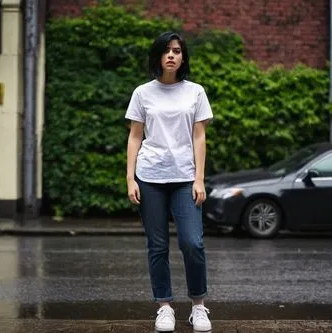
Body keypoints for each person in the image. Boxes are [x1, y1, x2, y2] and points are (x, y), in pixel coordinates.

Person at [125, 31, 213, 332]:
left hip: (185, 178)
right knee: (158, 246)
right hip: (150, 177)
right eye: (166, 51)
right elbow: (135, 136)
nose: (172, 55)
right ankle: (164, 306)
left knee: (193, 242)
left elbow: (199, 136)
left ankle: (198, 305)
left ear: (183, 56)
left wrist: (199, 179)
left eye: (177, 50)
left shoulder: (195, 92)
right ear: (158, 56)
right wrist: (130, 178)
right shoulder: (142, 93)